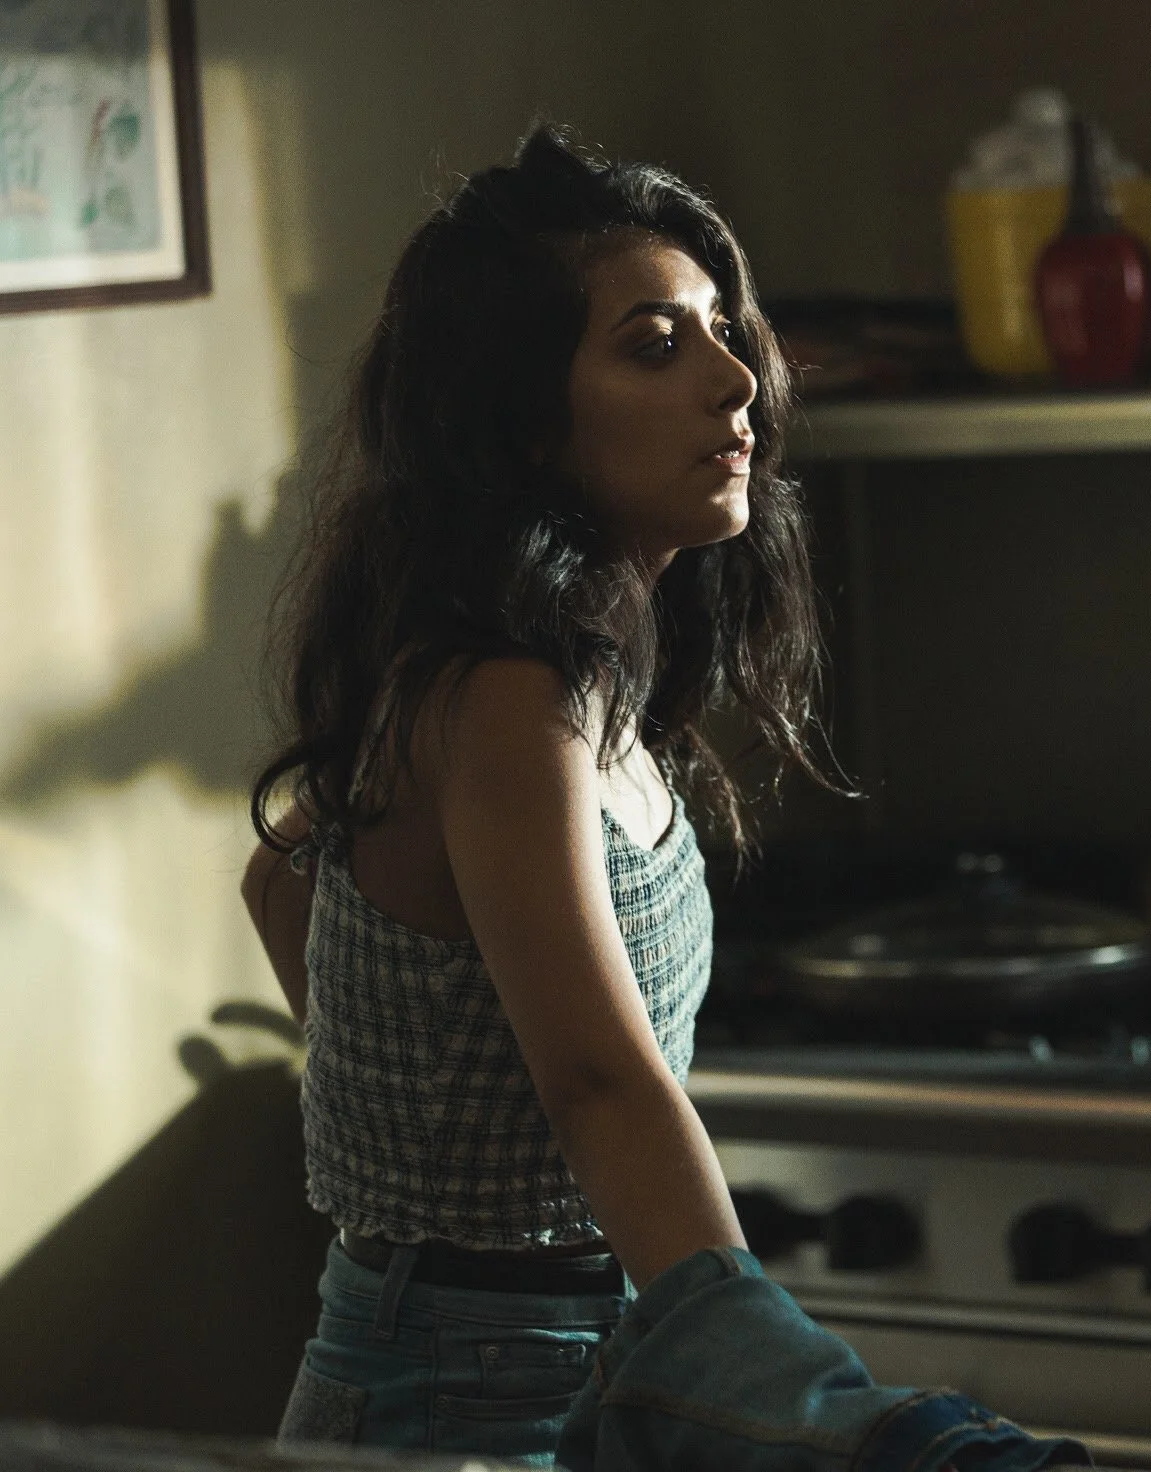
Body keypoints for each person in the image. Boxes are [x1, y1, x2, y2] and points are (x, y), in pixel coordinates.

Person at [238, 129, 1076, 1472]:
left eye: (723, 332)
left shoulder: (585, 677)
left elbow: (287, 872)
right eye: (655, 347)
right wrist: (786, 1391)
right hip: (456, 1381)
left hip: (573, 1342)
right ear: (522, 420)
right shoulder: (506, 690)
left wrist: (417, 1089)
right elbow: (598, 1084)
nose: (736, 381)